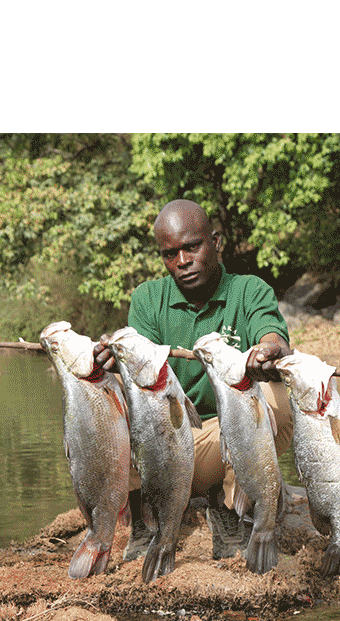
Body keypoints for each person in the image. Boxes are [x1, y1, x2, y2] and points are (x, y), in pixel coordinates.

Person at [94, 199, 293, 560]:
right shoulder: (148, 298)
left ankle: (233, 507)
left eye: (191, 247)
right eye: (170, 254)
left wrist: (269, 352)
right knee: (107, 400)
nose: (182, 262)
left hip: (227, 441)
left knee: (281, 396)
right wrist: (111, 361)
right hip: (167, 443)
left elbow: (272, 336)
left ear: (215, 242)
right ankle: (145, 515)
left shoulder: (249, 290)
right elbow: (139, 369)